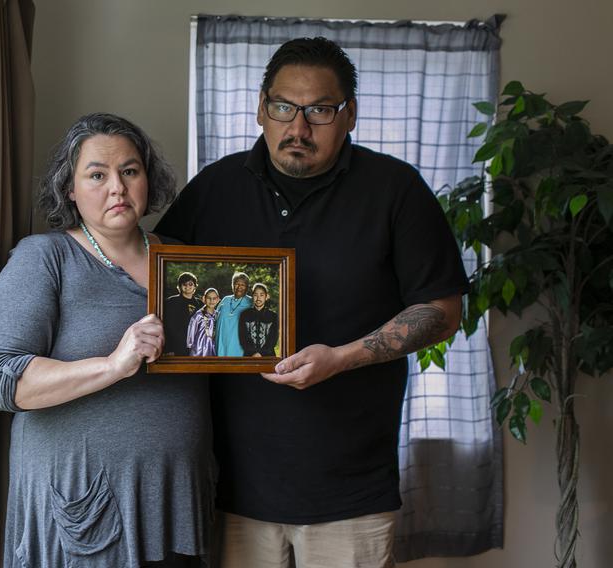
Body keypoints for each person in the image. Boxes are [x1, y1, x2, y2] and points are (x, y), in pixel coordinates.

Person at [156, 37, 468, 568]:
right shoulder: (215, 187)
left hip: (350, 493)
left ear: (349, 116)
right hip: (231, 487)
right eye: (283, 107)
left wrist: (342, 358)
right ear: (260, 108)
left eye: (320, 111)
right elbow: (152, 276)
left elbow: (443, 311)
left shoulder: (396, 189)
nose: (298, 128)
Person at [0, 113, 214, 568]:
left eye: (130, 171)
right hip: (86, 506)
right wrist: (112, 365)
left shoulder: (187, 262)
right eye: (97, 175)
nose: (118, 188)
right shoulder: (45, 258)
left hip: (175, 502)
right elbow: (0, 382)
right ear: (69, 188)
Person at [163, 272, 203, 355]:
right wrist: (169, 348)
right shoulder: (171, 302)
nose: (187, 286)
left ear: (195, 286)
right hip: (176, 347)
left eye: (190, 284)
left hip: (195, 347)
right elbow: (167, 327)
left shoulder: (200, 304)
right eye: (184, 284)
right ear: (180, 286)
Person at [214, 272, 252, 357]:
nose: (239, 287)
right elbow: (214, 317)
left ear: (247, 287)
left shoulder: (251, 302)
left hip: (238, 345)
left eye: (243, 285)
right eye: (236, 284)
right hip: (221, 341)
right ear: (232, 285)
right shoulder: (225, 299)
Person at [238, 283, 278, 357]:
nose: (258, 298)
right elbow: (243, 338)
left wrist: (260, 354)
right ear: (252, 297)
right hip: (249, 356)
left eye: (261, 295)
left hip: (268, 356)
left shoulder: (273, 316)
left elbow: (273, 339)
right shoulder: (244, 315)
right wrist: (253, 353)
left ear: (267, 297)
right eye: (255, 295)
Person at [186, 287, 221, 356]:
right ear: (204, 299)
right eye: (209, 298)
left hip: (214, 348)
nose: (211, 300)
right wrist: (190, 346)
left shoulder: (218, 315)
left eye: (214, 298)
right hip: (199, 348)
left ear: (218, 300)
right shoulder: (198, 315)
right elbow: (191, 331)